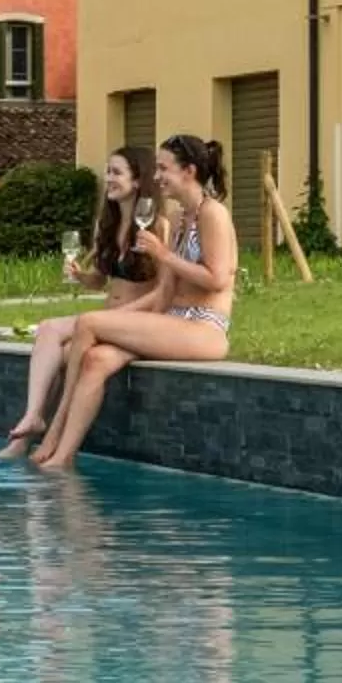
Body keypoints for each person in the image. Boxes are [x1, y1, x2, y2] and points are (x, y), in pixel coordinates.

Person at [30, 134, 236, 471]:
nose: (156, 177)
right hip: (174, 321)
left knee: (87, 323)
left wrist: (163, 254)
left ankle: (53, 433)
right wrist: (140, 326)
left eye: (163, 168)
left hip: (205, 327)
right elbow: (166, 291)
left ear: (189, 171)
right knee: (95, 359)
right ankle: (63, 457)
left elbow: (218, 279)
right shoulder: (185, 217)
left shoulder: (213, 214)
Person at [0, 146, 158, 458]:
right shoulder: (107, 224)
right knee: (54, 341)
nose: (108, 179)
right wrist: (81, 276)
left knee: (58, 340)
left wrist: (127, 313)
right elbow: (100, 279)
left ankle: (33, 427)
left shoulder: (155, 226)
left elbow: (164, 289)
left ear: (138, 181)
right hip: (107, 314)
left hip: (134, 319)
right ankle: (26, 431)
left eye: (117, 173)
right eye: (107, 172)